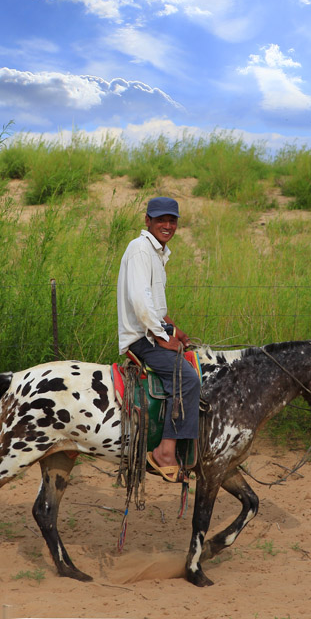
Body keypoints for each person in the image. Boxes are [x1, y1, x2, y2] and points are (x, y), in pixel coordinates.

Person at [117, 196, 200, 482]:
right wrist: (161, 336)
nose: (167, 225)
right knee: (187, 379)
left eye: (172, 220)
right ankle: (165, 452)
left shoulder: (156, 252)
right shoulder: (141, 250)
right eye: (161, 219)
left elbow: (152, 305)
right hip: (143, 339)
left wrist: (172, 328)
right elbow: (140, 303)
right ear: (147, 221)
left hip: (152, 332)